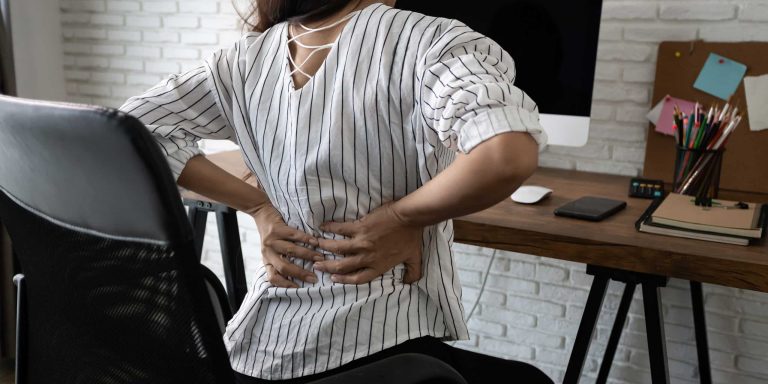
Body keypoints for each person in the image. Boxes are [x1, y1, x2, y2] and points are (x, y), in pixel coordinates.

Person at [120, 0, 551, 383]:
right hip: (384, 348)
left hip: (255, 352)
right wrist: (404, 217)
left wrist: (259, 206)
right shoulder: (429, 41)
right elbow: (505, 154)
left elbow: (132, 129)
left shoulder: (242, 60)